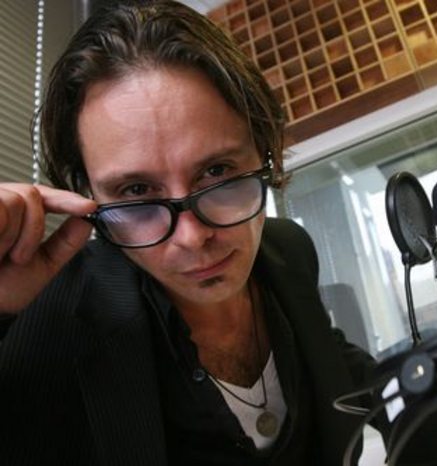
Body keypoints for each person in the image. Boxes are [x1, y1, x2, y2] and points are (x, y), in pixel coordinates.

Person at [0, 1, 375, 464]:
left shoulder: (288, 250)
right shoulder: (51, 315)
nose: (193, 236)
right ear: (86, 196)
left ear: (264, 150)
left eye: (217, 171)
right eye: (136, 191)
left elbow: (333, 359)